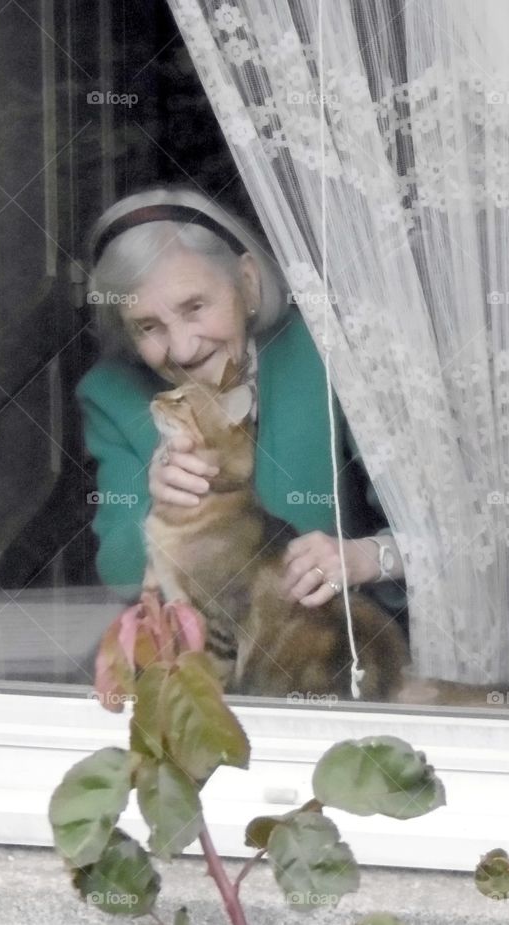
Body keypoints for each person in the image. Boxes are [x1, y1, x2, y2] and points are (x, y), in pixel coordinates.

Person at [76, 187, 405, 611]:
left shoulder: (325, 354)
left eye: (194, 307)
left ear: (247, 284)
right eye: (147, 326)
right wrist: (159, 506)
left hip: (340, 648)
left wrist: (366, 558)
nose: (182, 348)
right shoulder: (111, 395)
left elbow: (448, 533)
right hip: (209, 661)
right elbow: (122, 577)